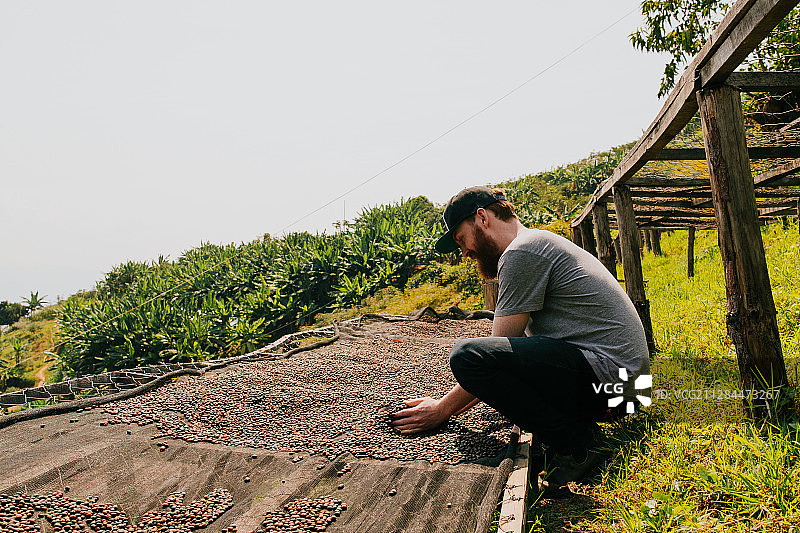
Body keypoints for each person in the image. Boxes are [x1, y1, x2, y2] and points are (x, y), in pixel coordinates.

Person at [390, 185, 650, 492]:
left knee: (467, 356)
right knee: (485, 362)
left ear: (482, 218)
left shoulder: (522, 252)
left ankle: (578, 446)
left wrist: (442, 409)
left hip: (615, 385)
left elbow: (494, 356)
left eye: (462, 240)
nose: (465, 253)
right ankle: (571, 430)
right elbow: (511, 355)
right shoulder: (535, 243)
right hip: (626, 387)